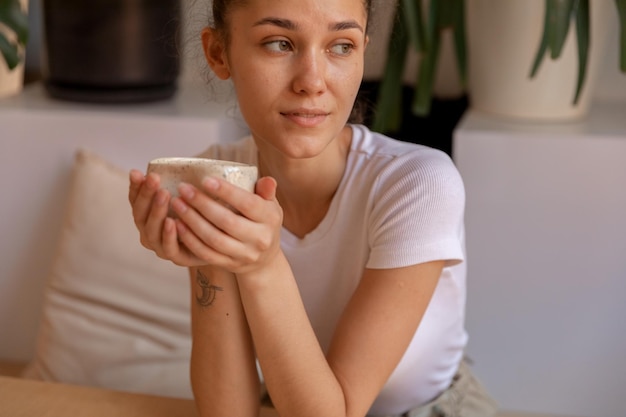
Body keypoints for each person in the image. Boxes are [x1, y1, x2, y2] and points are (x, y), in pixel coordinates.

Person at [128, 0, 498, 416]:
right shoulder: (220, 180)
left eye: (341, 47)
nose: (312, 81)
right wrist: (208, 253)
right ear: (218, 53)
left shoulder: (417, 183)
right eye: (279, 43)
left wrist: (261, 266)